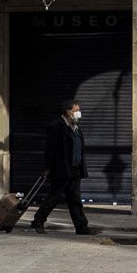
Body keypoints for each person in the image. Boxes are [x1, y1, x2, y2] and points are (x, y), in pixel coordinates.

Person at [32, 98, 94, 235]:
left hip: (75, 169)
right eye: (76, 110)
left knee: (75, 199)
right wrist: (48, 167)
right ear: (68, 111)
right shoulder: (55, 127)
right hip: (62, 169)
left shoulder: (76, 127)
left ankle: (81, 227)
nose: (79, 113)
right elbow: (50, 149)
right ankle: (38, 221)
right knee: (54, 197)